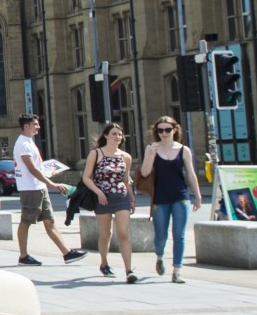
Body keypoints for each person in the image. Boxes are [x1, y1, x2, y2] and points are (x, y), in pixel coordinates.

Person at [14, 113, 86, 267]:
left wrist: (49, 173)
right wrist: (52, 184)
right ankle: (23, 256)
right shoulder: (23, 144)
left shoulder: (29, 142)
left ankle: (67, 253)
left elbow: (37, 167)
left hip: (38, 187)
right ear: (26, 126)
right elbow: (32, 169)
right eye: (35, 124)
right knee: (26, 221)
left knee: (50, 221)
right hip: (30, 189)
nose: (38, 126)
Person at [140, 115, 201, 283]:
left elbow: (191, 174)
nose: (164, 133)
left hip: (180, 196)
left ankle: (177, 270)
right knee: (161, 235)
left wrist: (198, 195)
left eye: (167, 130)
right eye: (160, 130)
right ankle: (159, 257)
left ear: (175, 130)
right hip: (160, 197)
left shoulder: (184, 150)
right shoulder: (151, 148)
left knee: (179, 234)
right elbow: (145, 173)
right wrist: (151, 155)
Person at [81, 122, 137, 280]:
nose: (118, 137)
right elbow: (86, 177)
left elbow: (126, 180)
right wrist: (98, 192)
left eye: (120, 134)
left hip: (121, 196)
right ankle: (104, 263)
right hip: (103, 197)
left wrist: (132, 199)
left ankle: (128, 271)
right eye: (114, 134)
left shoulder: (126, 157)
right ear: (105, 135)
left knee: (123, 233)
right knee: (106, 234)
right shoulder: (96, 154)